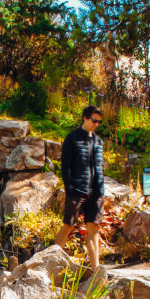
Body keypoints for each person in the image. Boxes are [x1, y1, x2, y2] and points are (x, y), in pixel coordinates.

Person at [55, 104, 105, 270]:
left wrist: (101, 191)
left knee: (94, 228)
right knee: (68, 225)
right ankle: (48, 262)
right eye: (94, 120)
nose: (96, 124)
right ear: (85, 117)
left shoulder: (98, 142)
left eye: (99, 122)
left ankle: (96, 269)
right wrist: (69, 187)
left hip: (96, 192)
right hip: (77, 190)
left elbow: (100, 167)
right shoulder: (73, 138)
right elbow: (66, 165)